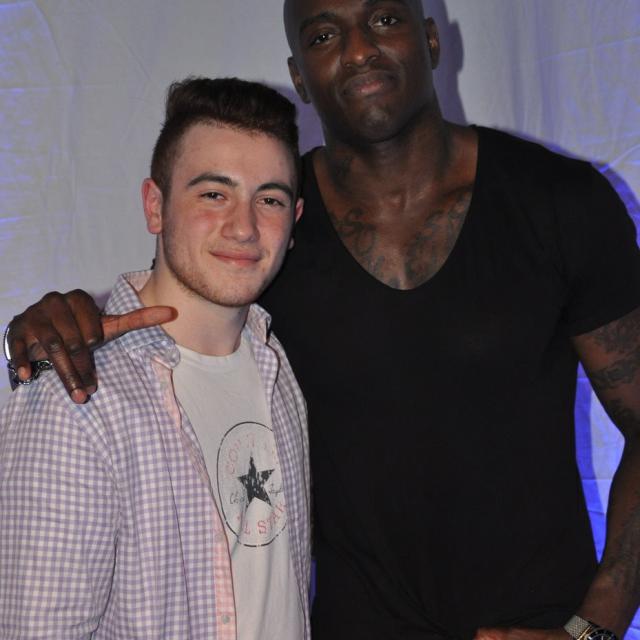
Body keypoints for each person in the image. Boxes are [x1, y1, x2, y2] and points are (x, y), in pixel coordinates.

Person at [5, 1, 640, 638]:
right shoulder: (270, 231)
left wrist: (596, 629)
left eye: (384, 19)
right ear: (300, 75)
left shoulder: (559, 202)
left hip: (538, 624)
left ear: (431, 40)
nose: (359, 49)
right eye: (324, 34)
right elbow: (172, 298)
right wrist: (53, 322)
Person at [0, 76, 311, 639]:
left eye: (269, 199)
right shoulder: (78, 395)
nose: (244, 227)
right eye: (213, 194)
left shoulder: (277, 366)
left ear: (294, 222)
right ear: (155, 206)